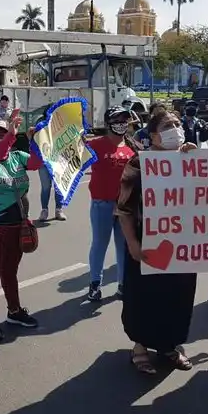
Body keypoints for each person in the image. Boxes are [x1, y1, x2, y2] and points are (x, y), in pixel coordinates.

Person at [117, 108, 199, 374]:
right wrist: (132, 243)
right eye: (168, 125)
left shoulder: (190, 159)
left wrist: (196, 160)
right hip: (148, 239)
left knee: (179, 295)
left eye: (177, 124)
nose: (176, 129)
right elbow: (125, 209)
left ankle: (169, 346)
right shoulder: (139, 163)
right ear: (153, 136)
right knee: (145, 296)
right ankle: (140, 348)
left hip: (184, 242)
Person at [0, 112, 42, 340]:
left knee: (10, 273)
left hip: (16, 228)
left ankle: (14, 311)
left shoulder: (18, 157)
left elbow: (37, 162)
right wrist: (10, 137)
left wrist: (35, 140)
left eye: (3, 133)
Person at [85, 107, 135, 301]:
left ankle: (123, 285)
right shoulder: (95, 145)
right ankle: (95, 284)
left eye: (125, 119)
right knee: (100, 244)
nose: (122, 123)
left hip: (125, 206)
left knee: (123, 246)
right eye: (117, 120)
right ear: (108, 124)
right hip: (102, 204)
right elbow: (70, 158)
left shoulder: (131, 147)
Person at [34, 106, 67, 222]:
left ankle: (59, 210)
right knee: (46, 187)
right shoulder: (40, 123)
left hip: (58, 161)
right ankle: (44, 210)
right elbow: (34, 137)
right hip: (43, 161)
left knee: (58, 186)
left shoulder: (61, 123)